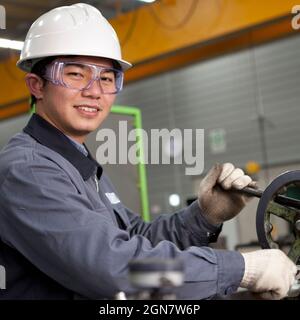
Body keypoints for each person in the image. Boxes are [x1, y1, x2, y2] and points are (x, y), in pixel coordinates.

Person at [0, 3, 296, 300]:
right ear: (36, 85)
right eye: (75, 74)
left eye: (106, 78)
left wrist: (204, 216)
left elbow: (137, 240)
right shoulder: (27, 170)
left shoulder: (81, 165)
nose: (94, 90)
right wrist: (241, 269)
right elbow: (118, 268)